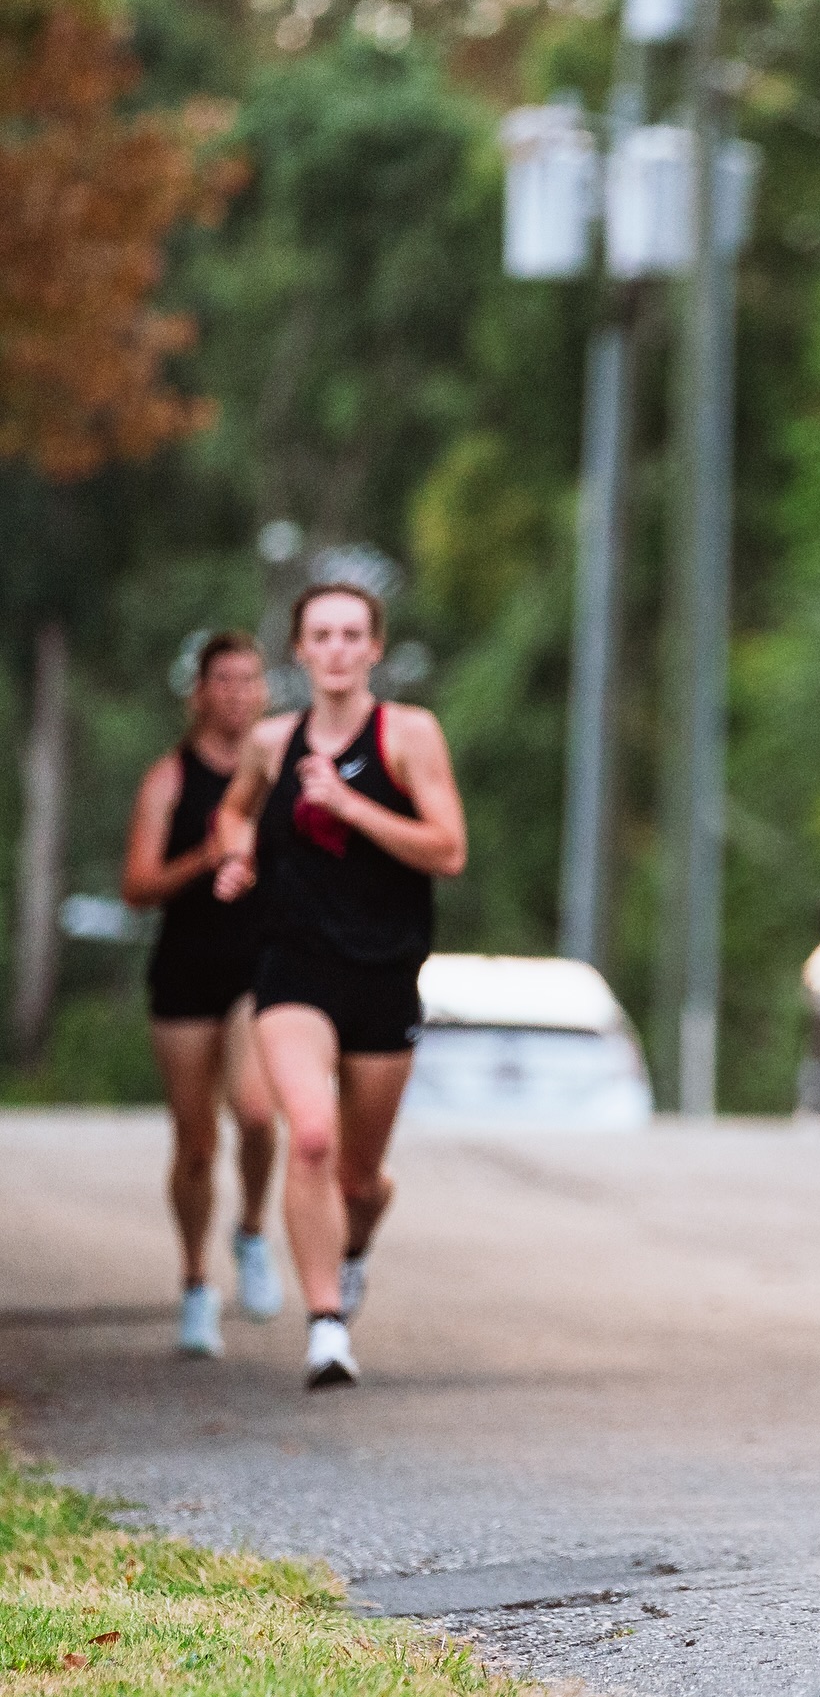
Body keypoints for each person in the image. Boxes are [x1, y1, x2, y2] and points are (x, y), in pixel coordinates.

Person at [214, 583, 466, 1389]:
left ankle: (350, 1249)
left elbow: (448, 850)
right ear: (299, 650)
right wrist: (236, 855)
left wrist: (351, 807)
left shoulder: (408, 735)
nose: (336, 649)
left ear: (374, 649)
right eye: (320, 634)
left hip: (385, 969)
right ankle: (326, 1327)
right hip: (293, 966)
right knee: (310, 1137)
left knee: (360, 1178)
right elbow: (234, 812)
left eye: (352, 634)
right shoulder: (270, 742)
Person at [122, 631, 282, 1358]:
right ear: (199, 693)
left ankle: (250, 1231)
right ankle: (194, 1285)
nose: (238, 693)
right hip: (186, 970)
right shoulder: (170, 779)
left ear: (265, 691)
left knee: (255, 1113)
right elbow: (137, 887)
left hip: (259, 967)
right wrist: (204, 859)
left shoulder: (281, 771)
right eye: (224, 680)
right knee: (194, 1144)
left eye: (249, 680)